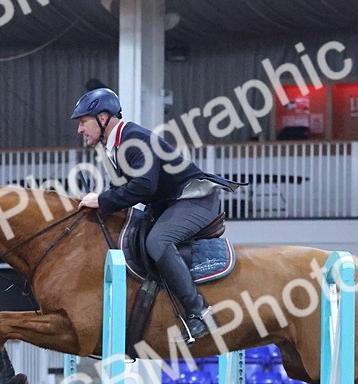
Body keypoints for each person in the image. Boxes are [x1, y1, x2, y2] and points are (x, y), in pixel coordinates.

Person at [71, 87, 238, 343]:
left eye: (83, 122)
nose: (80, 129)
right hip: (171, 203)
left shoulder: (133, 139)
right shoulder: (113, 146)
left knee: (157, 241)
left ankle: (199, 312)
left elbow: (143, 187)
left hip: (197, 200)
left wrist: (102, 200)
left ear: (103, 119)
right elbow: (123, 190)